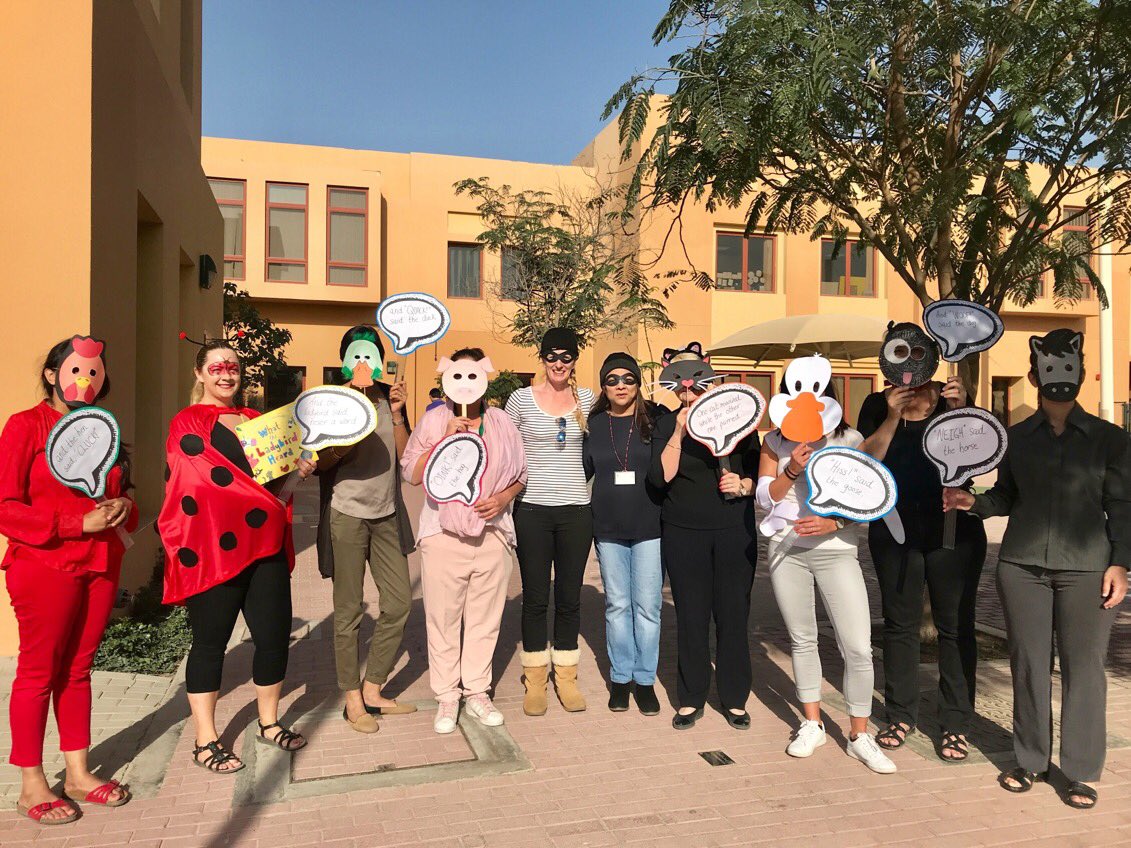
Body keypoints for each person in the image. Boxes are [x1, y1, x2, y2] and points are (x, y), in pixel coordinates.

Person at [945, 329, 1130, 809]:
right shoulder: (1016, 439)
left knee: (1084, 667)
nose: (1056, 380)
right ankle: (1030, 759)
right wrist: (974, 502)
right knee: (1027, 664)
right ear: (1033, 377)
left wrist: (1121, 565)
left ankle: (1078, 770)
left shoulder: (1111, 440)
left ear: (1082, 375)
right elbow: (1006, 496)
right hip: (1022, 565)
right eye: (1047, 371)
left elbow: (1123, 506)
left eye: (1067, 370)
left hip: (1088, 568)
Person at [158, 340, 314, 774]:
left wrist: (296, 471)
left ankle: (268, 721)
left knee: (274, 635)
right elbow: (193, 484)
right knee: (211, 643)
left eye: (233, 368)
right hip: (214, 550)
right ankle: (205, 740)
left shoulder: (256, 421)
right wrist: (257, 497)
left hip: (264, 546)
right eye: (217, 367)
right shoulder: (186, 423)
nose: (226, 375)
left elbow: (275, 487)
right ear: (200, 373)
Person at [1, 337, 137, 824]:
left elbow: (124, 496)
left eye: (94, 373)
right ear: (51, 373)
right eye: (76, 370)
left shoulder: (105, 429)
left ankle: (78, 772)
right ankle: (31, 782)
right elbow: (5, 507)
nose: (85, 381)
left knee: (79, 669)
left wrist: (124, 507)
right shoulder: (24, 426)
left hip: (100, 564)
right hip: (44, 565)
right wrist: (71, 525)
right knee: (39, 672)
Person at [756, 364, 895, 773]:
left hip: (837, 550)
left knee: (857, 645)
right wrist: (793, 468)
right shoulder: (774, 441)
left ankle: (859, 734)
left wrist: (834, 522)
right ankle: (812, 722)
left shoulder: (847, 439)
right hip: (787, 550)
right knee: (802, 639)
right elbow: (766, 499)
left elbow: (866, 495)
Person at [859, 321, 986, 762]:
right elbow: (866, 461)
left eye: (918, 355)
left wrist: (963, 411)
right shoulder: (877, 404)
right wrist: (893, 415)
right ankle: (900, 714)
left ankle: (955, 722)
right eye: (900, 354)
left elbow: (981, 459)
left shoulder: (955, 403)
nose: (909, 365)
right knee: (899, 624)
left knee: (954, 628)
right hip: (893, 529)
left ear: (930, 358)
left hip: (953, 530)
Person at [401, 348, 527, 733]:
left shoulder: (501, 421)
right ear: (447, 377)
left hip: (492, 536)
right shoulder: (434, 419)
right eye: (459, 374)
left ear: (484, 377)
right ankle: (446, 695)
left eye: (474, 374)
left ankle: (476, 690)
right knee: (442, 617)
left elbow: (520, 474)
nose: (466, 383)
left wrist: (503, 498)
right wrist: (442, 442)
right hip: (443, 535)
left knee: (485, 619)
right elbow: (410, 471)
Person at [648, 343, 759, 730]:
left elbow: (759, 474)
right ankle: (691, 697)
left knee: (733, 616)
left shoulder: (738, 417)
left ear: (709, 377)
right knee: (692, 617)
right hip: (683, 533)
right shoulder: (665, 423)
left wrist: (743, 484)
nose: (688, 388)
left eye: (695, 379)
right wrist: (680, 427)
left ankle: (734, 698)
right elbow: (659, 478)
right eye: (679, 381)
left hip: (733, 530)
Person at [315, 326, 416, 734]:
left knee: (399, 603)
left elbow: (408, 458)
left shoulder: (390, 395)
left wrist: (395, 413)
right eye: (355, 355)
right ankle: (352, 699)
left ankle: (373, 687)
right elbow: (320, 463)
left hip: (387, 514)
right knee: (349, 610)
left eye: (370, 354)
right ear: (344, 359)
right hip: (347, 514)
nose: (362, 362)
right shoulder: (332, 400)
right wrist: (344, 434)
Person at [505, 327, 595, 715]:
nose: (559, 364)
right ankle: (535, 681)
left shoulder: (588, 399)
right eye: (551, 356)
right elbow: (501, 446)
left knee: (570, 599)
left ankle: (567, 679)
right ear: (541, 359)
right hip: (532, 511)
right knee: (536, 599)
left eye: (567, 357)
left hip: (576, 511)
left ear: (575, 361)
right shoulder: (520, 400)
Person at [583, 352, 663, 715]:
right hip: (609, 528)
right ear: (603, 385)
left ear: (638, 383)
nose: (620, 385)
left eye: (628, 378)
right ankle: (620, 678)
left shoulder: (656, 420)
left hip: (650, 527)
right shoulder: (594, 423)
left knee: (648, 608)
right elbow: (580, 469)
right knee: (617, 605)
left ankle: (644, 681)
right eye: (612, 379)